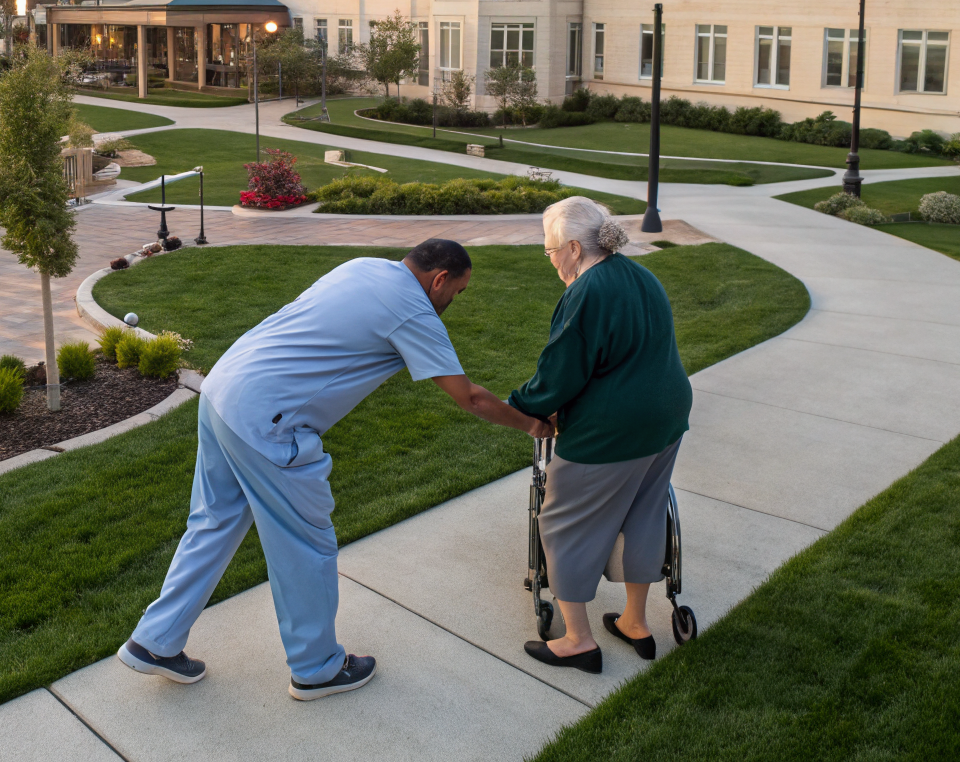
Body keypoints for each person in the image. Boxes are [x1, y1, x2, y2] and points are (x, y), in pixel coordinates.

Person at [118, 238, 552, 700]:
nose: (452, 303)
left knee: (213, 522)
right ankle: (316, 667)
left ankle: (155, 641)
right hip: (268, 422)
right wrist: (531, 424)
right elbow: (470, 397)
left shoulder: (364, 267)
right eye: (456, 292)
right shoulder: (413, 309)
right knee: (306, 545)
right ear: (439, 278)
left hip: (222, 390)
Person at [511, 197, 692, 673]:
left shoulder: (588, 290)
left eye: (550, 251)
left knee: (563, 522)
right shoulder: (638, 275)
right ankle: (635, 621)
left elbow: (561, 370)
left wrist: (525, 404)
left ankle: (577, 640)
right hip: (666, 418)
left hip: (613, 430)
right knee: (644, 514)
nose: (550, 260)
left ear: (573, 248)